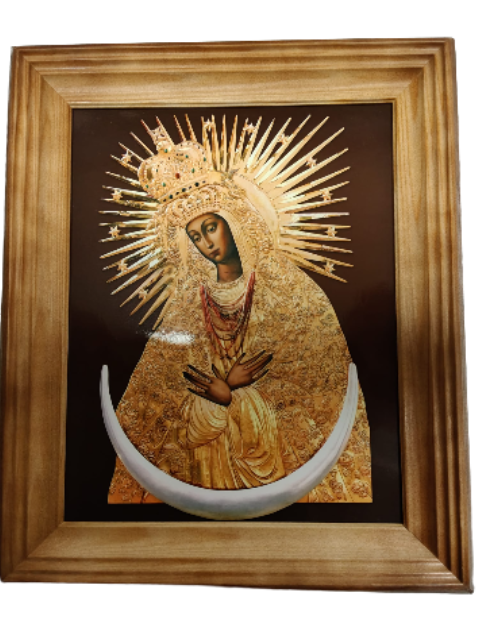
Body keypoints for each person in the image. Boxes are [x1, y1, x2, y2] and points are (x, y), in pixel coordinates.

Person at [107, 173, 372, 504]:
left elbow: (313, 392)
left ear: (232, 222)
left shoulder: (291, 291)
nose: (206, 243)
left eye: (210, 227)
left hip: (276, 462)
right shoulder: (187, 305)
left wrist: (237, 397)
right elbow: (159, 401)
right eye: (195, 236)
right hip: (203, 463)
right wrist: (218, 396)